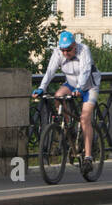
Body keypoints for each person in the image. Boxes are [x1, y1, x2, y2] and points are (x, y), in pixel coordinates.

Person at [33, 32, 101, 173]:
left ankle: (88, 157)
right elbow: (50, 71)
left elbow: (85, 71)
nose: (65, 53)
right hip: (71, 83)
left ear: (74, 46)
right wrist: (41, 88)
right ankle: (68, 125)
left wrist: (79, 88)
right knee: (58, 96)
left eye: (68, 49)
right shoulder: (58, 53)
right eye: (63, 50)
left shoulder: (84, 50)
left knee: (84, 119)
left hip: (89, 85)